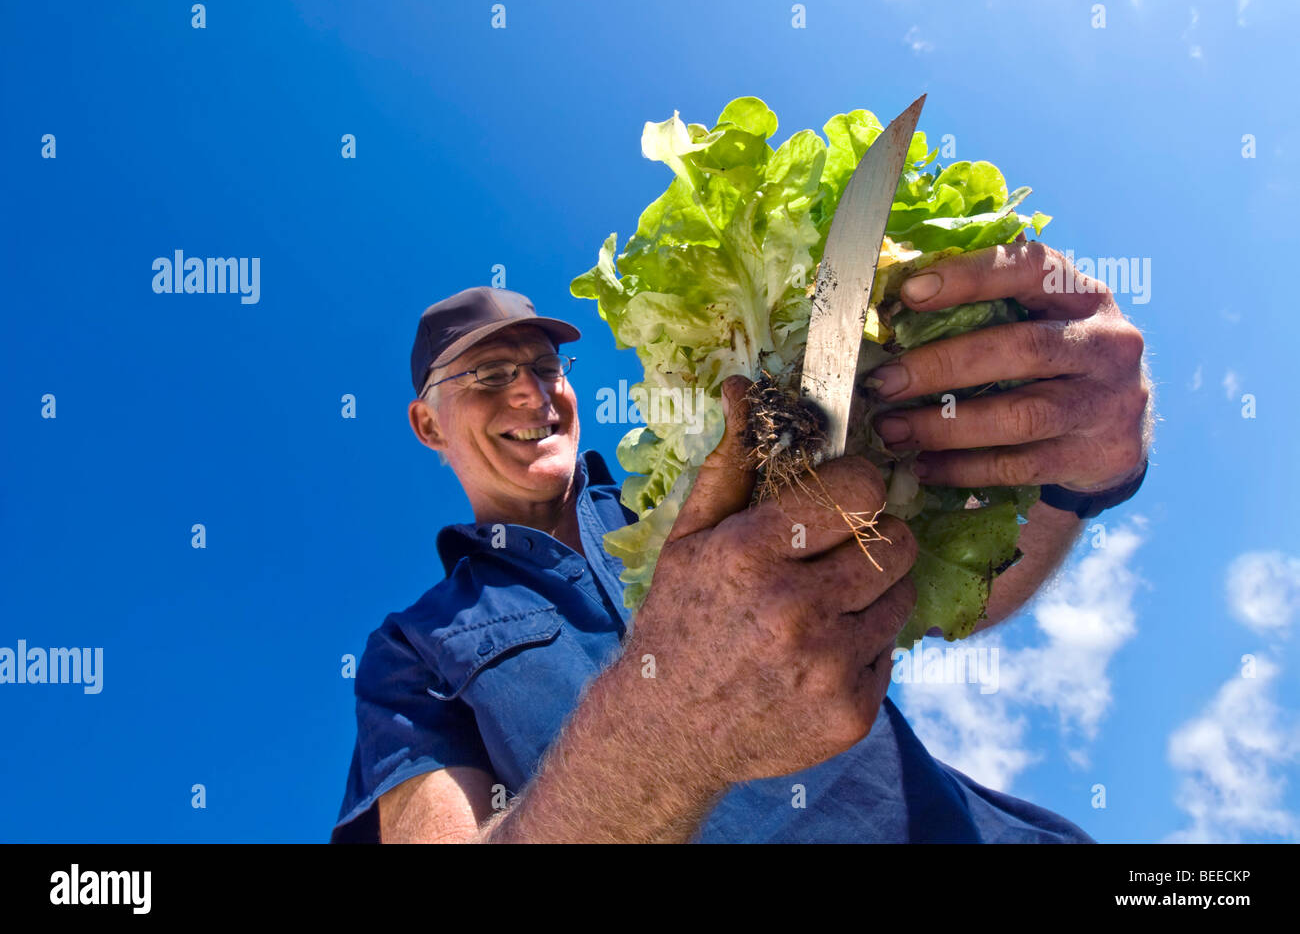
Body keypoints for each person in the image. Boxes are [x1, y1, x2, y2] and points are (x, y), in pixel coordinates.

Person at [331, 246, 1153, 843]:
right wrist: (668, 735)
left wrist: (1075, 474)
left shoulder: (702, 472)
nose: (528, 390)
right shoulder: (412, 651)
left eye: (545, 365)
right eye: (483, 376)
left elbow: (939, 582)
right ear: (427, 422)